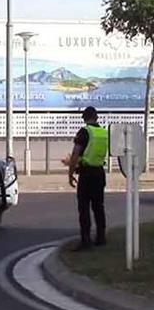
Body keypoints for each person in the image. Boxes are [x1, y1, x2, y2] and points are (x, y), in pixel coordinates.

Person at [67, 107, 107, 251]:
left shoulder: (85, 132)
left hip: (87, 174)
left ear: (85, 118)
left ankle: (86, 240)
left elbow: (75, 154)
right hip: (100, 173)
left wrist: (70, 174)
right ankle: (101, 237)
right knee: (99, 207)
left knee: (84, 208)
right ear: (96, 117)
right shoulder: (104, 133)